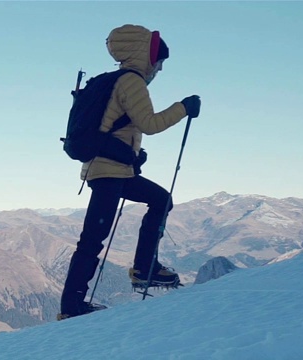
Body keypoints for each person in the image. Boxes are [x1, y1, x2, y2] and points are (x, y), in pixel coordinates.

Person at [58, 24, 201, 320]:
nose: (159, 69)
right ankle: (72, 307)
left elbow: (117, 128)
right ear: (148, 57)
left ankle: (145, 268)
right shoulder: (131, 81)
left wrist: (134, 156)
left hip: (115, 170)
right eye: (159, 61)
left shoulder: (116, 81)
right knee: (93, 239)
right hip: (109, 173)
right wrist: (184, 108)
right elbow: (150, 123)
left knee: (161, 200)